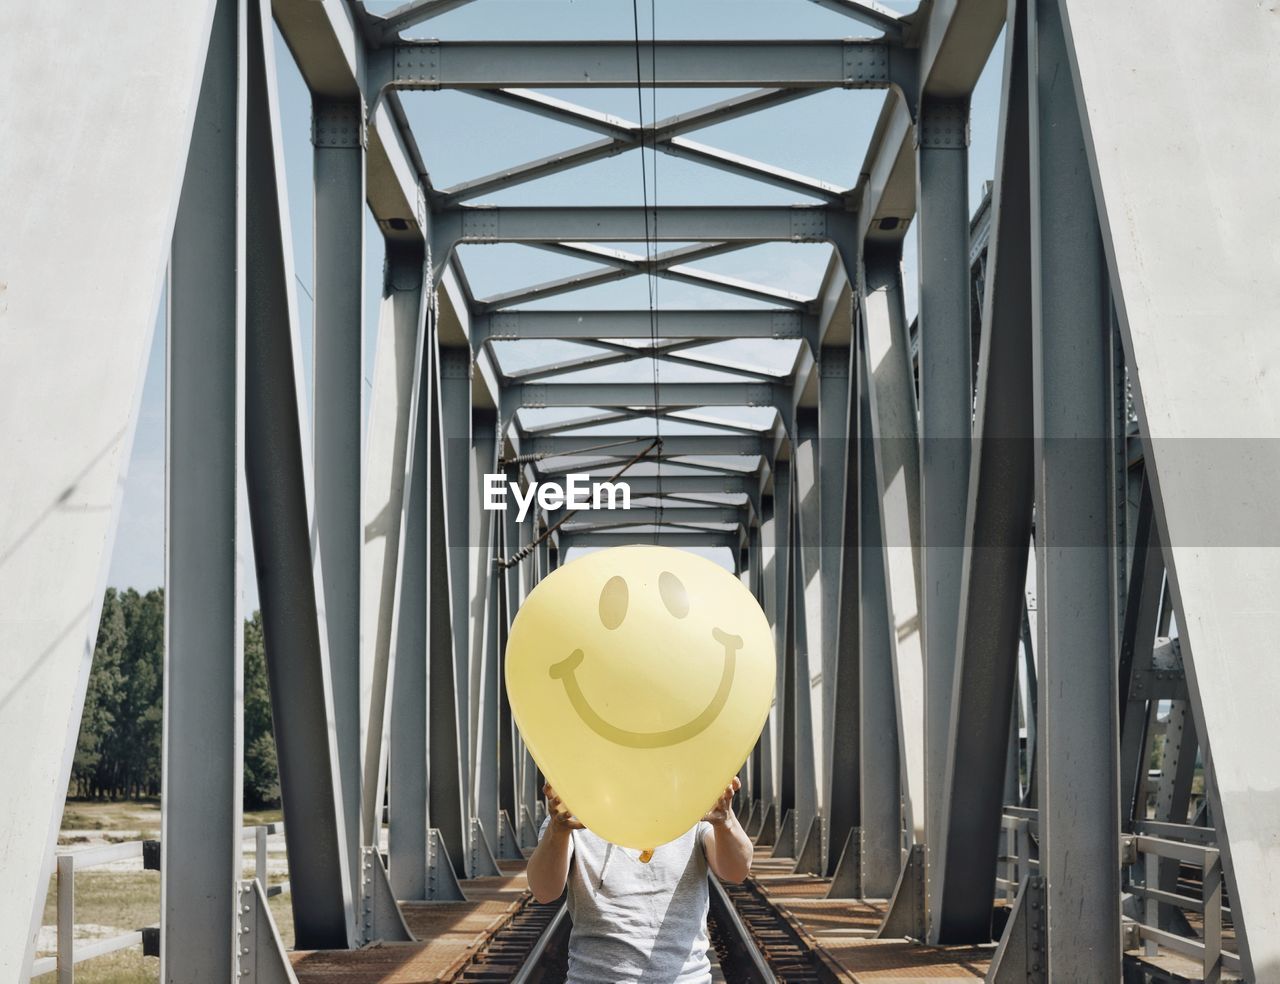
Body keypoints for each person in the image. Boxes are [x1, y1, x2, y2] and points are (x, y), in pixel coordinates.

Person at [526, 776, 753, 984]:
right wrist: (557, 831)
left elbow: (736, 871)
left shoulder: (691, 810)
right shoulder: (572, 814)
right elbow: (544, 891)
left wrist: (725, 822)